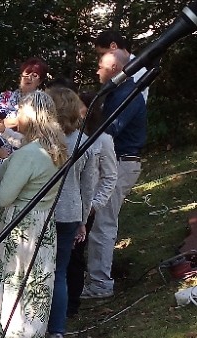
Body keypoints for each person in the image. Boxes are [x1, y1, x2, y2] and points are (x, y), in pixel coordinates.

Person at [0, 90, 67, 338]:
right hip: (42, 225)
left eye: (20, 111)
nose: (15, 116)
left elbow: (4, 197)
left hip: (17, 226)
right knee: (32, 287)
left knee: (9, 284)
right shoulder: (56, 150)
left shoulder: (28, 154)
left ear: (32, 116)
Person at [82, 49, 147, 300]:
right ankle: (95, 278)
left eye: (101, 65)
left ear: (114, 68)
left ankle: (100, 284)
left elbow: (110, 130)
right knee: (99, 220)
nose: (97, 69)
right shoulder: (117, 93)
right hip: (116, 162)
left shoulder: (126, 95)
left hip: (120, 164)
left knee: (103, 222)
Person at [43, 87, 98, 338]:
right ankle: (57, 333)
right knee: (59, 272)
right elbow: (88, 186)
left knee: (38, 270)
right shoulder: (84, 141)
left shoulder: (41, 141)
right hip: (70, 212)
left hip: (43, 212)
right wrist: (83, 219)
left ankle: (35, 328)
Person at [66, 94, 118, 318]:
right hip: (65, 204)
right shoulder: (67, 137)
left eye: (79, 106)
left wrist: (95, 204)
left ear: (89, 110)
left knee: (75, 254)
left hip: (85, 206)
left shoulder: (103, 139)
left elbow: (110, 177)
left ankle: (71, 305)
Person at [0, 58, 48, 143]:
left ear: (40, 81)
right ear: (21, 76)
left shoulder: (42, 102)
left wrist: (7, 123)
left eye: (35, 75)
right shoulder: (6, 96)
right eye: (27, 73)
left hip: (26, 147)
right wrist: (21, 121)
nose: (29, 77)